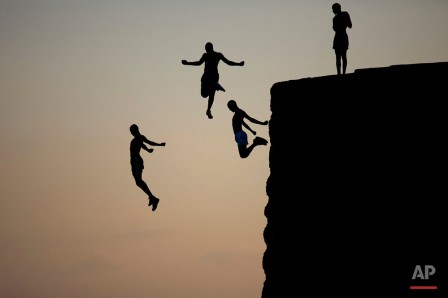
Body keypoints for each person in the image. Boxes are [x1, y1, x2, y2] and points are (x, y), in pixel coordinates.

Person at [182, 42, 245, 119]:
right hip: (210, 77)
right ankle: (212, 88)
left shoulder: (214, 55)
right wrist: (187, 63)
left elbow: (228, 62)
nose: (207, 50)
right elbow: (199, 63)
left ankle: (208, 109)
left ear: (210, 48)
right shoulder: (211, 55)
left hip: (210, 76)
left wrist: (239, 64)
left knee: (210, 94)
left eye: (207, 49)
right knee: (205, 95)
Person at [129, 124, 166, 211]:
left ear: (135, 130)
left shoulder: (140, 137)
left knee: (138, 181)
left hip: (137, 161)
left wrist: (159, 145)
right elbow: (142, 145)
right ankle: (152, 197)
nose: (131, 133)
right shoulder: (137, 139)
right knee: (138, 182)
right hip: (134, 162)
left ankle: (153, 198)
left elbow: (149, 142)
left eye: (131, 131)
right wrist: (148, 150)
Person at [332, 3, 352, 75]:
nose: (333, 11)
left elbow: (350, 25)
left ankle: (342, 73)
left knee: (342, 55)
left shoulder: (344, 15)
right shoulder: (335, 18)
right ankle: (340, 73)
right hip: (339, 36)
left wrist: (343, 22)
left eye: (333, 9)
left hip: (341, 36)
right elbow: (335, 28)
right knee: (339, 57)